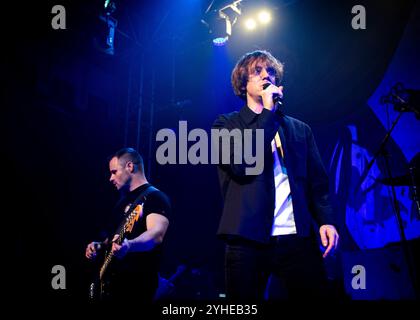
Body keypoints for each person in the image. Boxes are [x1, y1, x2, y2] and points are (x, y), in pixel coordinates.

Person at [212, 50, 339, 300]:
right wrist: (267, 114)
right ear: (242, 82)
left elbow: (318, 183)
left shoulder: (299, 129)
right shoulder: (226, 125)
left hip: (297, 239)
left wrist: (326, 220)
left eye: (270, 71)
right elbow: (241, 165)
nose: (265, 76)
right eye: (257, 71)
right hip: (247, 241)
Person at [85, 147, 170, 302]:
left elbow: (156, 234)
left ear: (130, 167)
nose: (110, 178)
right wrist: (99, 246)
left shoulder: (155, 198)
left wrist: (130, 245)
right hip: (111, 286)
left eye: (114, 172)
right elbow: (113, 239)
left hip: (136, 288)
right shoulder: (121, 203)